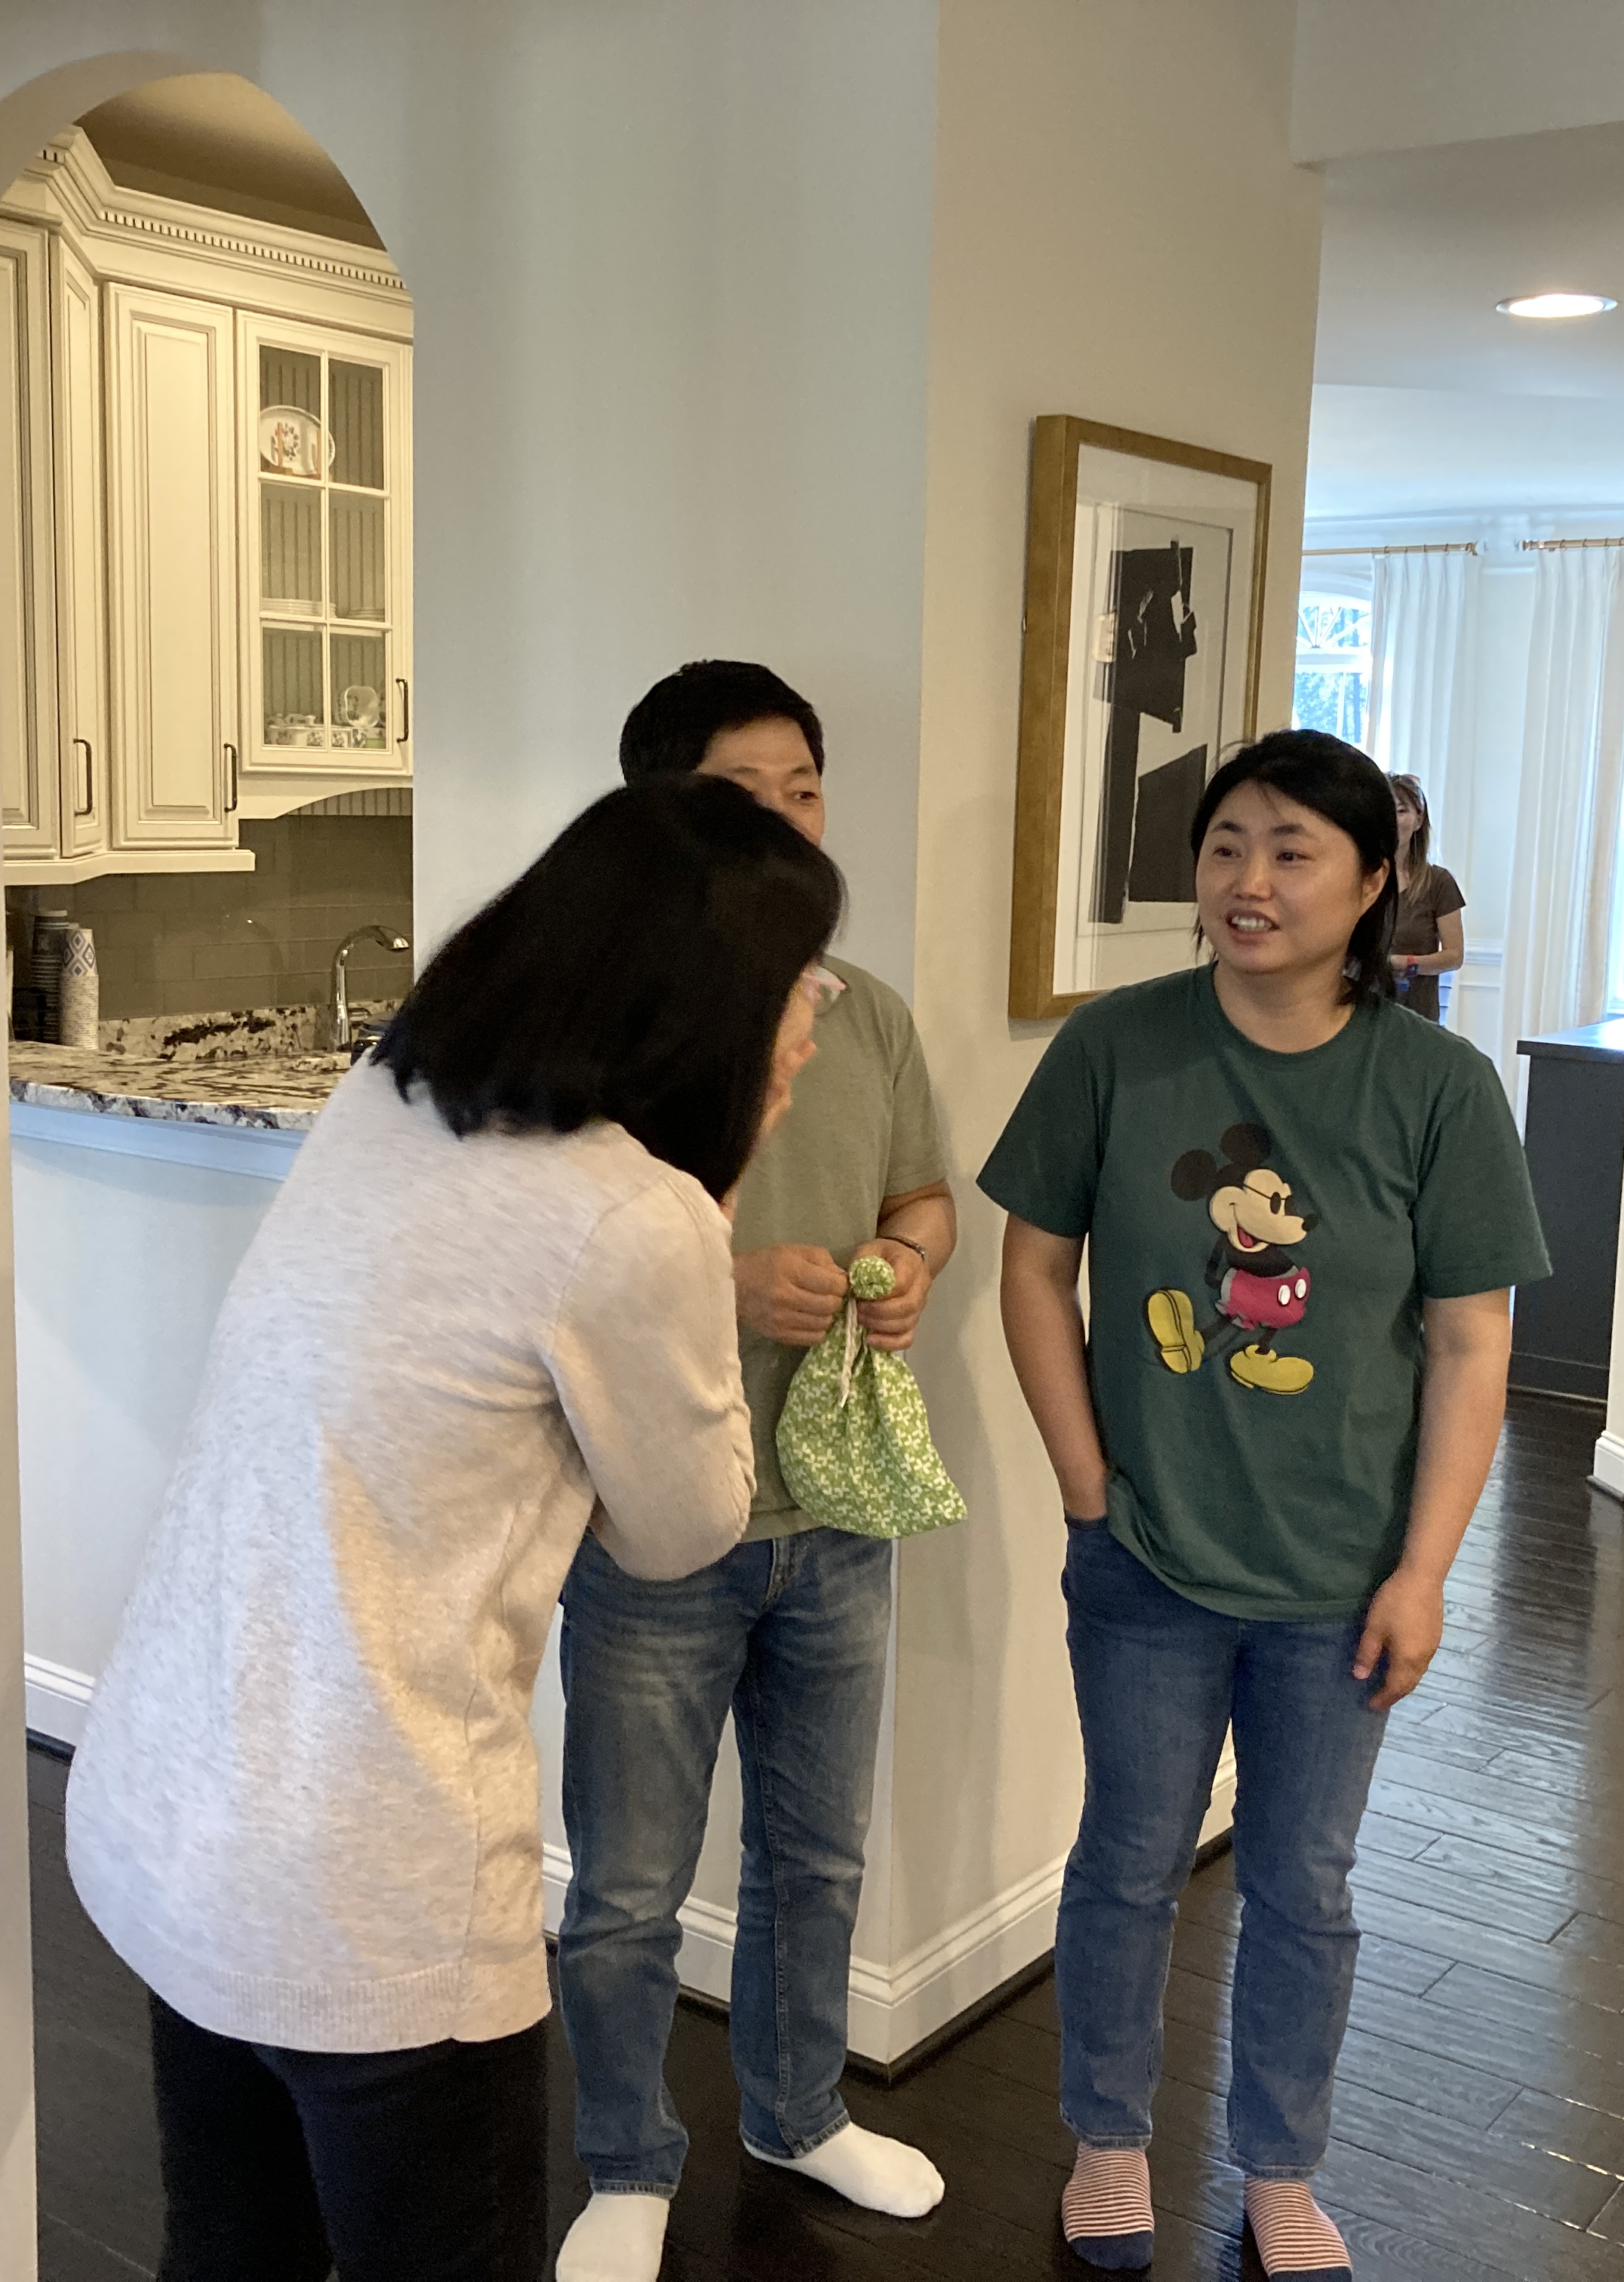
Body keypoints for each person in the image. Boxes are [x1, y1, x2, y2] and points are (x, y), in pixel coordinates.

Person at [61, 775, 844, 2282]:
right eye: (801, 985)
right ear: (709, 1010)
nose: (813, 1024)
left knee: (229, 2255)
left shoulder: (388, 1095)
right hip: (371, 1883)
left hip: (179, 1805)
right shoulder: (634, 1214)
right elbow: (685, 1530)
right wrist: (717, 1192)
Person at [980, 730, 1548, 2280]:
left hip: (1343, 1573)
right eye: (1228, 843)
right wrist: (1086, 1482)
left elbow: (1471, 1338)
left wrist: (1425, 1570)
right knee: (1127, 1861)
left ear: (1372, 884)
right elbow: (1033, 1265)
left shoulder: (1437, 1086)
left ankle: (1281, 2166)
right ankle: (1109, 2139)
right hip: (1146, 1557)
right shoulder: (1118, 1045)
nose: (1251, 880)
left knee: (1305, 1883)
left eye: (1295, 852)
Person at [553, 660, 955, 2282]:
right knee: (629, 1882)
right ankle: (623, 2160)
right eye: (746, 794)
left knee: (816, 1854)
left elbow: (926, 1198)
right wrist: (717, 1280)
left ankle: (797, 2110)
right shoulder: (590, 1027)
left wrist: (907, 1261)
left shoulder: (865, 1012)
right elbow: (553, 1262)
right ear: (660, 815)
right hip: (652, 1519)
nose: (789, 821)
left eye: (806, 789)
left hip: (842, 1503)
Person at [1383, 770, 1465, 1020]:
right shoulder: (1359, 880)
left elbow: (1454, 956)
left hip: (1417, 1016)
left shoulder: (1439, 882)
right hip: (1362, 1014)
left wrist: (1408, 964)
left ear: (1418, 820)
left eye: (1401, 811)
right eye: (1386, 811)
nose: (1392, 820)